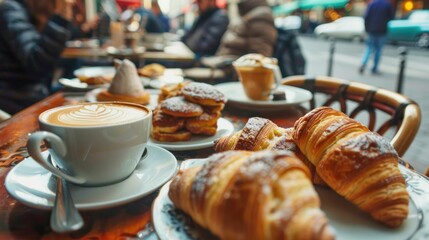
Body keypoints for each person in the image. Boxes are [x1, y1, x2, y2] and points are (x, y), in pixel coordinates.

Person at [0, 0, 75, 114]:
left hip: (33, 93)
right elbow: (37, 64)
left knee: (80, 92)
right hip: (16, 102)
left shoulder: (33, 11)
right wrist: (61, 16)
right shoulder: (11, 9)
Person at [359, 0, 394, 75]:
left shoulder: (372, 4)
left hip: (371, 30)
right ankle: (374, 68)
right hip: (381, 30)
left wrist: (367, 29)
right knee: (378, 50)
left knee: (369, 48)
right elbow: (391, 17)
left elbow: (366, 17)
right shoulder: (387, 4)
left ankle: (363, 63)